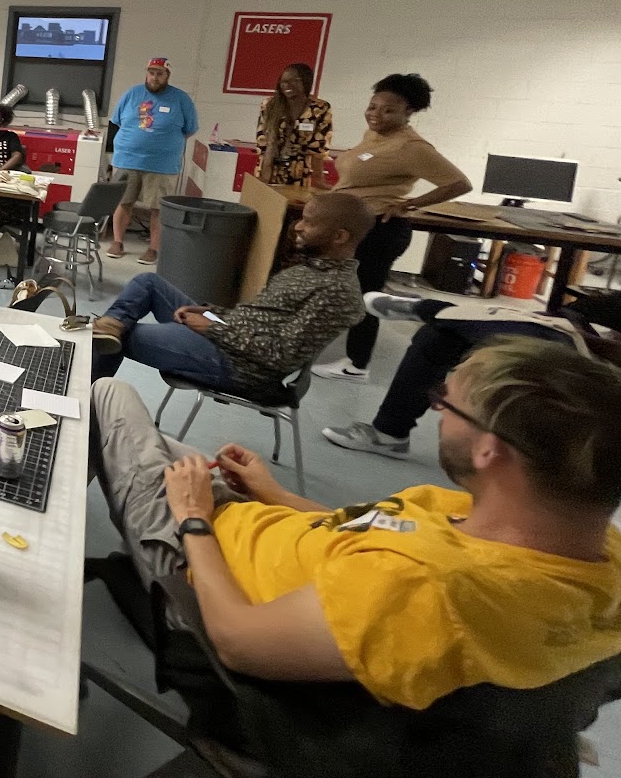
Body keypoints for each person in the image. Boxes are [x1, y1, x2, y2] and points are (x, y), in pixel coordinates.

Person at [91, 336, 621, 710]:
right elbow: (379, 533)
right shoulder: (590, 549)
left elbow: (236, 639)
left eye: (446, 404)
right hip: (254, 526)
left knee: (108, 396)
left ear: (490, 450)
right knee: (152, 438)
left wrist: (193, 519)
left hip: (198, 565)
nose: (437, 412)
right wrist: (278, 496)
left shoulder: (424, 589)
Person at [92, 192, 372, 399]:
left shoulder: (337, 292)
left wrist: (214, 329)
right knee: (148, 282)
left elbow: (282, 355)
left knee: (118, 338)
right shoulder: (310, 269)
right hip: (226, 332)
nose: (298, 227)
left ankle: (83, 406)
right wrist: (212, 312)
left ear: (340, 237)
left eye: (310, 223)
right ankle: (111, 325)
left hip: (239, 365)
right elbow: (257, 316)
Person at [324, 290, 621, 457]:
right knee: (440, 336)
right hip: (573, 323)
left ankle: (427, 307)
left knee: (536, 332)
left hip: (591, 347)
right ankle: (389, 434)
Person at [313, 73, 471, 382]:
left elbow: (459, 183)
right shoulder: (375, 135)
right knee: (347, 290)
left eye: (388, 110)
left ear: (408, 112)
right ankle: (341, 352)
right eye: (373, 106)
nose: (376, 115)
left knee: (365, 294)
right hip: (355, 225)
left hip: (380, 230)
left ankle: (357, 365)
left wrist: (410, 204)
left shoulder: (411, 146)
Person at [107, 57, 199, 265]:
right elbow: (117, 121)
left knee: (157, 208)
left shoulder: (181, 99)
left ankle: (152, 248)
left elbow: (190, 129)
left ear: (167, 76)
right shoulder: (132, 94)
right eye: (151, 72)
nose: (154, 77)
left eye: (159, 73)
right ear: (146, 73)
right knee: (123, 202)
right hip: (127, 160)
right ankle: (117, 242)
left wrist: (161, 144)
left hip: (162, 165)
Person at [255, 62, 333, 188]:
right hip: (268, 170)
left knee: (294, 205)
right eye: (283, 81)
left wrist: (318, 180)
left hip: (300, 174)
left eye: (293, 81)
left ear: (306, 82)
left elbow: (319, 148)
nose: (287, 85)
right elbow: (264, 141)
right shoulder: (270, 104)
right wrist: (264, 177)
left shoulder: (319, 108)